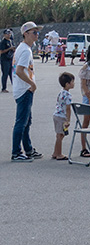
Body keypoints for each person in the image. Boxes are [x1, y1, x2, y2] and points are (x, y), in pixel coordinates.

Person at [11, 21, 44, 162]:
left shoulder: (24, 48)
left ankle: (28, 149)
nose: (37, 35)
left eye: (37, 32)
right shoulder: (25, 50)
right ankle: (16, 152)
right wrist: (32, 83)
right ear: (26, 34)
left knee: (26, 122)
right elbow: (19, 71)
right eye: (34, 32)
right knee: (21, 122)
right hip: (25, 89)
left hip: (23, 88)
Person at [52, 72, 75, 161]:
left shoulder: (61, 92)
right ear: (67, 84)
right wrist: (68, 120)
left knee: (59, 134)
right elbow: (68, 108)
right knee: (60, 135)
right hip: (62, 116)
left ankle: (55, 152)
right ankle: (59, 154)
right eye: (72, 82)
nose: (73, 83)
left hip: (56, 114)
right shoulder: (68, 95)